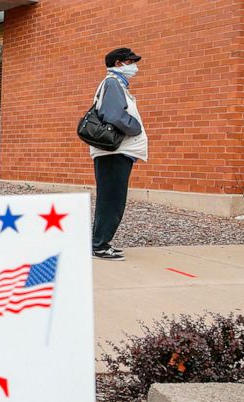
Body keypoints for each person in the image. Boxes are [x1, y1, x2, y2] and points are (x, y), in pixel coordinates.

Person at [90, 47, 147, 261]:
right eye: (130, 61)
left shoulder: (117, 84)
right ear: (118, 64)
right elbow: (113, 115)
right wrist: (136, 127)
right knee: (111, 200)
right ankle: (100, 246)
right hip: (113, 154)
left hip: (115, 153)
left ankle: (100, 244)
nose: (134, 66)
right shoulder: (113, 83)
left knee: (111, 198)